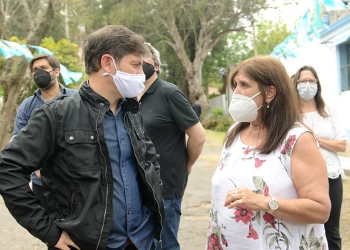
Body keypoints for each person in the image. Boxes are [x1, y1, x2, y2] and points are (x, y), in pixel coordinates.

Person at [0, 25, 164, 250]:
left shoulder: (131, 111)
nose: (141, 73)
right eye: (135, 65)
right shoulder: (57, 114)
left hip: (141, 241)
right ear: (108, 63)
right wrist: (49, 232)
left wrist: (153, 215)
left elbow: (150, 164)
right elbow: (7, 168)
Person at [206, 56, 331, 250]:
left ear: (270, 92)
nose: (236, 93)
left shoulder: (297, 139)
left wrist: (264, 202)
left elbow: (320, 210)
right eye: (235, 85)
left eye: (244, 85)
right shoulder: (234, 133)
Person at [139, 42, 206, 250]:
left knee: (164, 243)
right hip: (140, 187)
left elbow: (198, 136)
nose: (139, 61)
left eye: (144, 56)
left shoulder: (169, 93)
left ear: (156, 66)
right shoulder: (130, 97)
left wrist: (187, 163)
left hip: (166, 186)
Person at [13, 54, 77, 207]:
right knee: (47, 228)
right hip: (42, 184)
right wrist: (35, 167)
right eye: (35, 70)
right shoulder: (28, 105)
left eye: (43, 68)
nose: (38, 72)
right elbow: (18, 140)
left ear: (56, 72)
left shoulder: (76, 99)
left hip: (75, 180)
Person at [293, 65, 347, 250]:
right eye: (302, 81)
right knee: (306, 229)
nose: (307, 85)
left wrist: (315, 141)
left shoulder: (328, 111)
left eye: (311, 81)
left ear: (317, 84)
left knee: (332, 230)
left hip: (331, 176)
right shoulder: (291, 115)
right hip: (302, 179)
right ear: (296, 84)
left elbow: (342, 144)